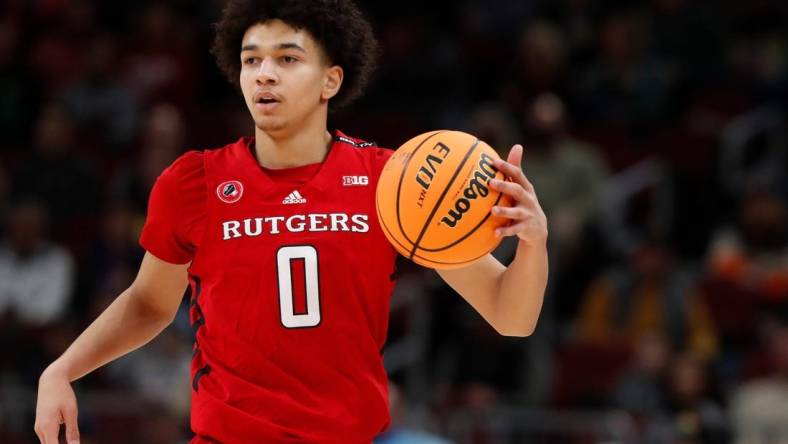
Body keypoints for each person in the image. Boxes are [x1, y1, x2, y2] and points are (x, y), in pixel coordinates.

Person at [33, 1, 549, 443]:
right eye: (250, 59)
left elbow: (511, 314)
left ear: (331, 79)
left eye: (287, 58)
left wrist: (532, 241)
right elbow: (148, 303)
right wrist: (63, 369)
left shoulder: (391, 182)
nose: (264, 73)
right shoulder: (193, 183)